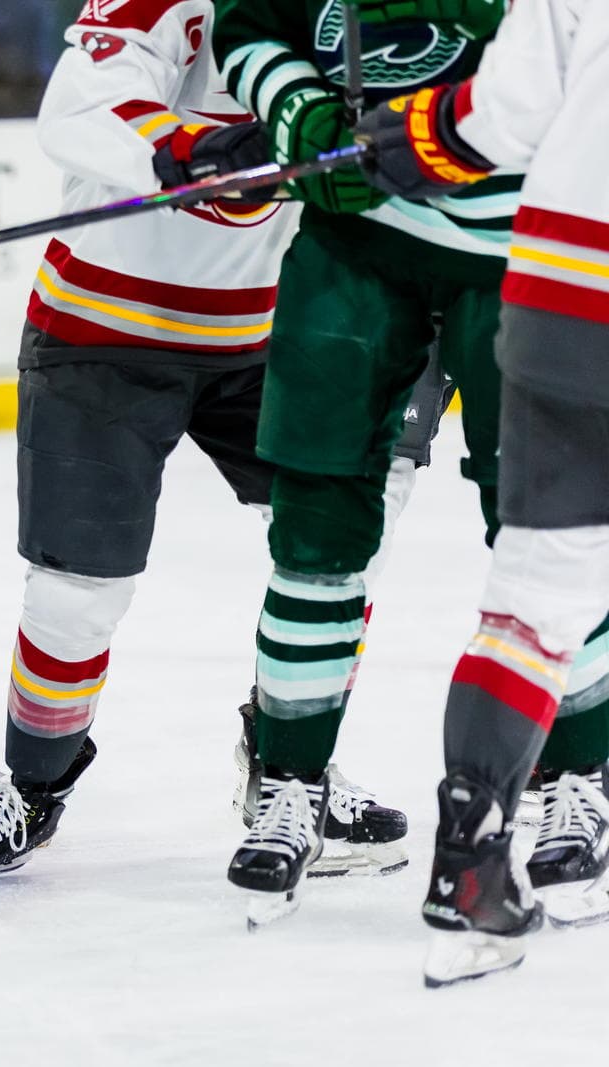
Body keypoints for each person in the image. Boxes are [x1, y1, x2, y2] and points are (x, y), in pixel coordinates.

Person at [0, 0, 424, 889]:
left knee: (344, 547)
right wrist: (192, 149)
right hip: (103, 335)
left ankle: (289, 766)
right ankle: (33, 787)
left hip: (271, 337)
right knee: (78, 593)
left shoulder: (372, 19)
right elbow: (77, 109)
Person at [206, 0, 528, 912]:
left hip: (520, 248)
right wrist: (296, 113)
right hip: (355, 250)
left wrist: (440, 130)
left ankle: (573, 780)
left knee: (546, 526)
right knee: (318, 528)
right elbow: (252, 25)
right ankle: (290, 781)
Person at [352, 0, 609, 985]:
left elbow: (499, 114)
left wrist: (404, 139)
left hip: (556, 298)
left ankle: (470, 860)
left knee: (537, 596)